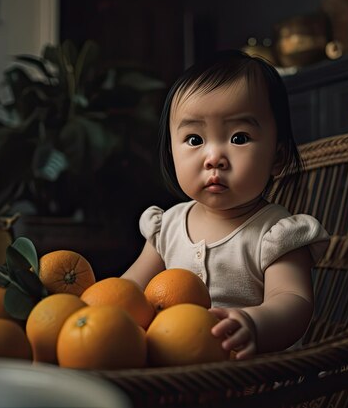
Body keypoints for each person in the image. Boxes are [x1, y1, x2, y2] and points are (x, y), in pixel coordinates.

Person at [122, 50, 329, 360]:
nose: (214, 157)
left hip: (247, 379)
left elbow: (293, 301)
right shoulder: (167, 227)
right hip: (174, 370)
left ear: (277, 156)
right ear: (171, 151)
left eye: (239, 137)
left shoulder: (275, 234)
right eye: (194, 139)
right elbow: (130, 289)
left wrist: (254, 324)